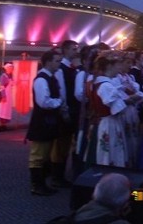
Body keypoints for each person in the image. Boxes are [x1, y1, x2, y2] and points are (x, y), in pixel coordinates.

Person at [27, 49, 65, 196]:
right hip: (41, 122)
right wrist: (59, 102)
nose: (59, 64)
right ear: (48, 62)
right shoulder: (42, 79)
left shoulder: (50, 78)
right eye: (57, 61)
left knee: (45, 154)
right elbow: (43, 102)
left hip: (48, 121)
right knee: (38, 155)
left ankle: (42, 183)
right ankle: (36, 185)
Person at [51, 39, 80, 187]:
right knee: (61, 145)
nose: (76, 51)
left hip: (72, 110)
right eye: (74, 49)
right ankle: (57, 176)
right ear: (66, 50)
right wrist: (65, 110)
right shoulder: (62, 69)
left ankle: (59, 174)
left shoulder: (71, 68)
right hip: (66, 110)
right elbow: (61, 91)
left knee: (67, 143)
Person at [0, 62, 14, 131]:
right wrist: (3, 96)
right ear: (6, 69)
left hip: (9, 95)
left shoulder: (11, 76)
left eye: (12, 68)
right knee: (2, 110)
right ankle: (0, 124)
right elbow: (2, 87)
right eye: (10, 68)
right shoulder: (3, 76)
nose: (11, 69)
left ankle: (4, 124)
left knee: (7, 110)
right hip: (5, 94)